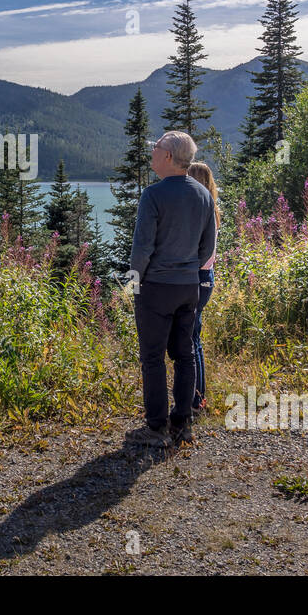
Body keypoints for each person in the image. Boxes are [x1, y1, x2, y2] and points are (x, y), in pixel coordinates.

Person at [127, 131, 217, 447]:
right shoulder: (203, 195)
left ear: (168, 157)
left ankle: (156, 427)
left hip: (155, 288)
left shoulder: (153, 195)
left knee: (152, 358)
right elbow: (208, 249)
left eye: (156, 148)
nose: (152, 152)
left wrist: (134, 280)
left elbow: (142, 248)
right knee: (185, 354)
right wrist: (187, 269)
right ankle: (183, 424)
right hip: (188, 287)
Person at [187, 162, 220, 412]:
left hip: (198, 276)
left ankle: (196, 399)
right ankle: (198, 396)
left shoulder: (201, 211)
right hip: (206, 276)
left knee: (191, 338)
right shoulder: (212, 209)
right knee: (193, 336)